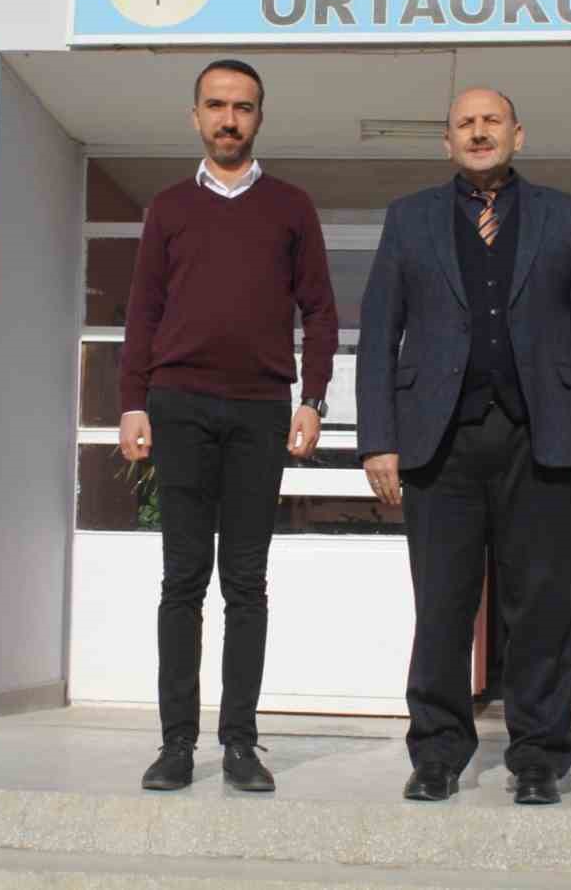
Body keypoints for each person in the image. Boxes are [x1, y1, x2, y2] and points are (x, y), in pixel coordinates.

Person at [356, 87, 571, 805]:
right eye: (465, 124)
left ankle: (538, 756)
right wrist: (378, 440)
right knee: (442, 604)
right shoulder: (408, 218)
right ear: (447, 141)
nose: (479, 133)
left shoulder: (566, 216)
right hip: (438, 440)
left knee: (542, 606)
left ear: (517, 134)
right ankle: (438, 751)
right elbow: (379, 332)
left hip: (542, 437)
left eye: (491, 121)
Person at [118, 59, 339, 793]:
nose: (229, 119)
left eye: (242, 107)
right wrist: (132, 401)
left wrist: (313, 398)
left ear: (259, 117)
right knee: (182, 579)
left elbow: (320, 310)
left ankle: (240, 743)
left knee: (246, 581)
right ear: (196, 116)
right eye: (216, 105)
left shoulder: (291, 207)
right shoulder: (169, 207)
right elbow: (143, 311)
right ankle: (176, 745)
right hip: (178, 404)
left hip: (258, 409)